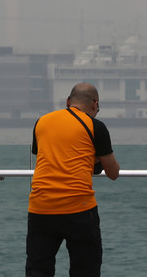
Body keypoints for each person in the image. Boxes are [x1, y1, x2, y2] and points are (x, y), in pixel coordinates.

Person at [26, 83, 121, 277]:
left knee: (38, 269)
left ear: (68, 101)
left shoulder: (41, 122)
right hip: (79, 209)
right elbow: (113, 173)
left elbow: (45, 158)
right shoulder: (96, 126)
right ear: (95, 104)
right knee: (85, 270)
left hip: (41, 207)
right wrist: (95, 159)